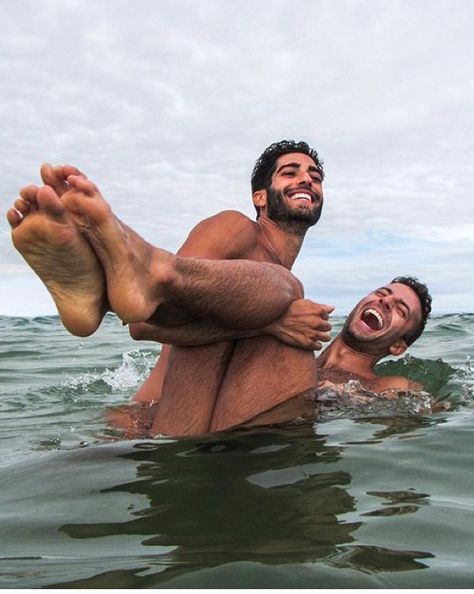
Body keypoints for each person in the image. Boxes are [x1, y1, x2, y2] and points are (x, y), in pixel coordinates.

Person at [7, 141, 334, 436]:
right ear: (259, 197)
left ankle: (99, 287)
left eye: (315, 177)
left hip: (179, 427)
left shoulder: (260, 281)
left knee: (288, 304)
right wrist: (270, 323)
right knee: (289, 291)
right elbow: (142, 323)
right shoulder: (233, 228)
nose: (306, 180)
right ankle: (153, 268)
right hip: (157, 420)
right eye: (290, 173)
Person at [129, 276, 432, 431]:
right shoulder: (290, 353)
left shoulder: (388, 386)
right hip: (196, 429)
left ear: (398, 346)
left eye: (400, 309)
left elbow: (426, 412)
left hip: (274, 449)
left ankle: (153, 274)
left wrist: (346, 397)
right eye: (381, 293)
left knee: (284, 290)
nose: (386, 302)